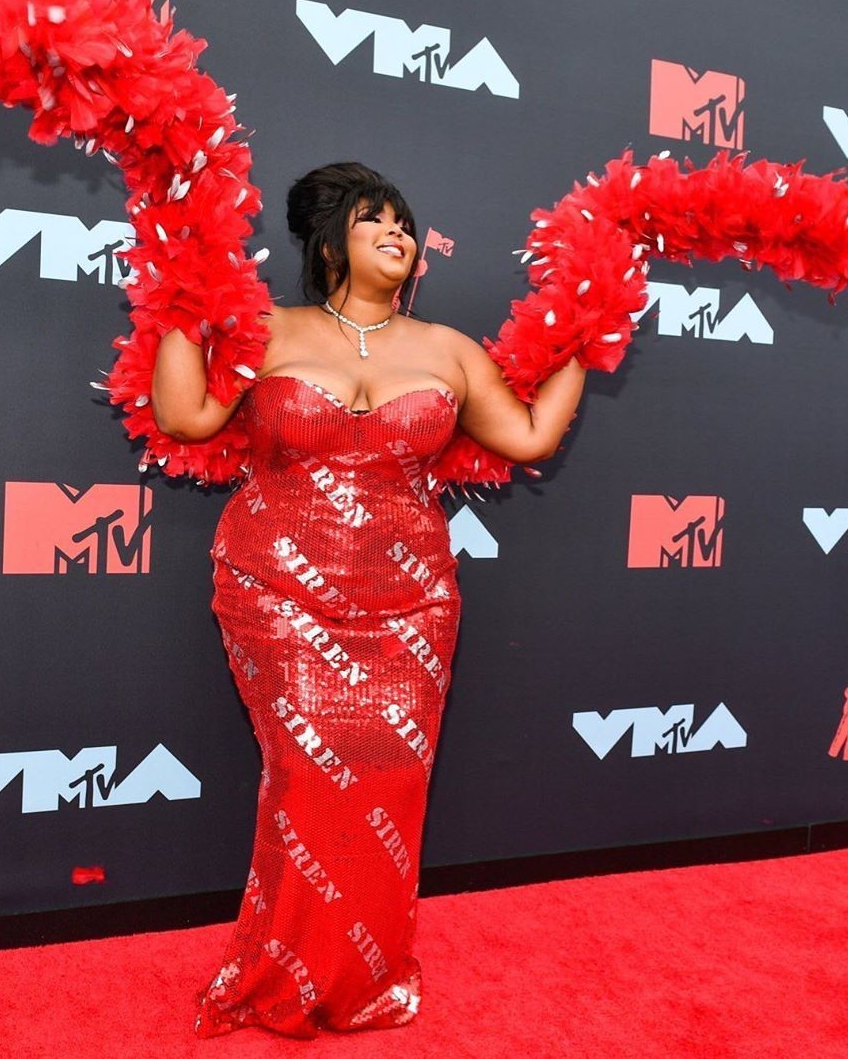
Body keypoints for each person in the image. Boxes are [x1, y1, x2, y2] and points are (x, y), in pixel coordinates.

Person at [151, 161, 585, 1039]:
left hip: (409, 606)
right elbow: (184, 417)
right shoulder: (266, 329)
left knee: (388, 785)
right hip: (276, 589)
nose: (397, 233)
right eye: (372, 219)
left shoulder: (449, 350)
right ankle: (281, 973)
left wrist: (589, 328)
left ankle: (361, 978)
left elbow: (532, 436)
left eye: (404, 222)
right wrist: (180, 302)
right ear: (328, 244)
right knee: (305, 777)